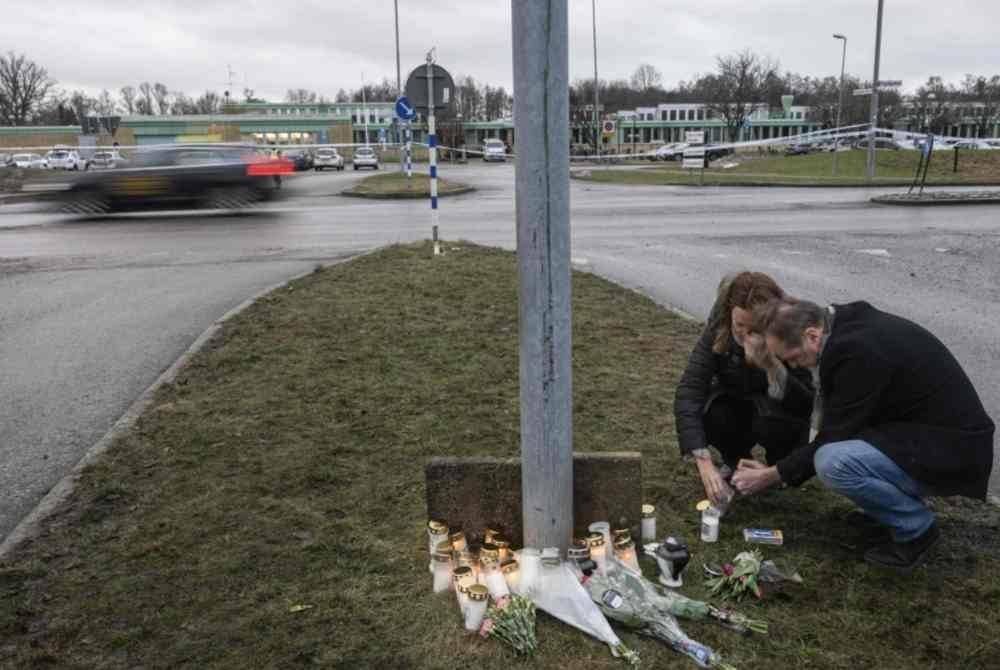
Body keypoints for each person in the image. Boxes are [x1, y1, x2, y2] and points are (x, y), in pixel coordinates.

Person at [734, 298, 995, 571]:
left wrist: (771, 475)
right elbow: (838, 422)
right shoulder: (844, 328)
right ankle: (888, 515)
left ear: (812, 335)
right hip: (926, 435)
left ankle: (916, 530)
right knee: (840, 453)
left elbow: (833, 436)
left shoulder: (858, 352)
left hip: (952, 451)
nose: (796, 367)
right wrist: (780, 470)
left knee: (833, 462)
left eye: (794, 358)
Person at [674, 273, 815, 506]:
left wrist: (771, 365)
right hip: (735, 404)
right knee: (714, 411)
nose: (744, 334)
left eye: (755, 328)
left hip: (776, 415)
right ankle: (737, 460)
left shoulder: (793, 332)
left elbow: (808, 406)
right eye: (739, 324)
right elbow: (690, 389)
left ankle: (775, 470)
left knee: (772, 422)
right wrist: (703, 459)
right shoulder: (719, 329)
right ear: (730, 312)